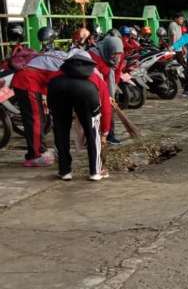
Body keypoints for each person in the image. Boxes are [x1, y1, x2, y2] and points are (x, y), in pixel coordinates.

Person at [48, 49, 112, 181]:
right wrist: (105, 131)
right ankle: (95, 171)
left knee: (61, 131)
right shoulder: (95, 77)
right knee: (92, 132)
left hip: (58, 88)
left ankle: (64, 171)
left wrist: (53, 112)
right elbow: (105, 107)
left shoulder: (57, 74)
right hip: (87, 91)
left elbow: (49, 90)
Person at [9, 28, 65, 167]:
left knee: (39, 119)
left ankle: (38, 149)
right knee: (35, 120)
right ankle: (35, 155)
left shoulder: (55, 55)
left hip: (30, 83)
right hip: (27, 83)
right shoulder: (65, 61)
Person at [90, 34, 125, 145]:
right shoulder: (94, 55)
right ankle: (92, 135)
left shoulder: (120, 55)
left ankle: (110, 134)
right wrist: (105, 94)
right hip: (93, 83)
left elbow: (117, 71)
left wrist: (112, 91)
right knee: (96, 109)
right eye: (113, 54)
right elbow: (94, 77)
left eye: (118, 55)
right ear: (108, 50)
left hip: (108, 81)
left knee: (110, 108)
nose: (116, 58)